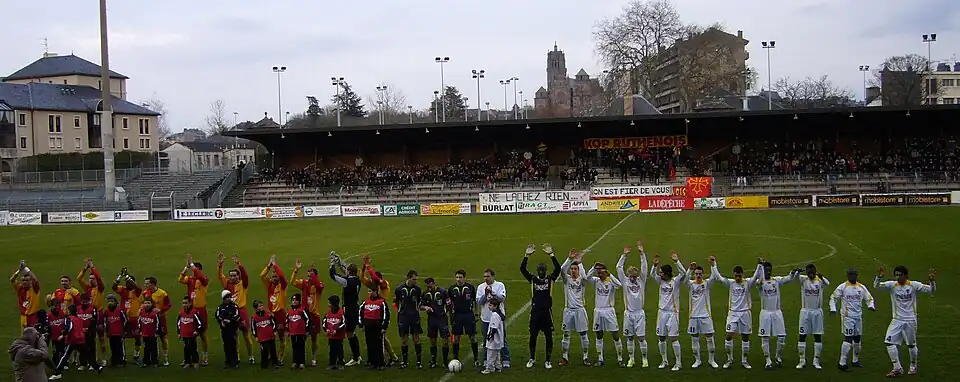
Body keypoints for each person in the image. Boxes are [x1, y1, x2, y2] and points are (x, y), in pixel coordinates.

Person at [874, 265, 936, 377]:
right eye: (896, 275)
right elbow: (877, 287)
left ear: (906, 275)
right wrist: (878, 277)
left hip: (910, 319)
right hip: (897, 319)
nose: (898, 277)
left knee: (911, 344)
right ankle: (897, 367)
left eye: (900, 275)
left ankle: (913, 365)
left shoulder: (913, 285)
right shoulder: (892, 285)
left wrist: (932, 281)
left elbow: (931, 291)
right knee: (889, 342)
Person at [712, 257, 762, 369]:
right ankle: (729, 359)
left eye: (739, 275)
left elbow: (756, 276)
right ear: (733, 275)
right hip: (733, 313)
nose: (738, 278)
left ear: (742, 274)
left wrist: (759, 265)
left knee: (745, 337)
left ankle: (744, 360)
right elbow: (719, 278)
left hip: (745, 313)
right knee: (729, 336)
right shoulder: (731, 283)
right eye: (736, 275)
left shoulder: (747, 283)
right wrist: (713, 264)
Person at [519, 243, 561, 369]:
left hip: (547, 312)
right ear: (538, 271)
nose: (541, 272)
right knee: (533, 336)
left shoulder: (550, 279)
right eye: (540, 270)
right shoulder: (533, 279)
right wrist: (526, 255)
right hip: (535, 312)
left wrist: (551, 255)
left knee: (548, 336)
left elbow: (558, 269)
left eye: (543, 270)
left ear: (545, 271)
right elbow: (522, 269)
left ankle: (548, 360)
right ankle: (532, 358)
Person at [829, 268, 874, 371]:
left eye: (854, 275)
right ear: (847, 276)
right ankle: (842, 362)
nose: (852, 276)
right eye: (850, 275)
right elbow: (833, 297)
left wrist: (871, 305)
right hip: (847, 317)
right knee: (848, 339)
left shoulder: (861, 287)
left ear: (856, 276)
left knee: (857, 339)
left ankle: (855, 360)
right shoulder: (843, 287)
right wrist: (833, 308)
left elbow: (869, 298)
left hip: (858, 317)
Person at [585, 254, 625, 367]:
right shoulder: (596, 281)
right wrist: (594, 267)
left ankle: (620, 358)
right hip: (598, 311)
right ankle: (600, 359)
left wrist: (610, 275)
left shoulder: (610, 281)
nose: (599, 274)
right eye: (599, 273)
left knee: (615, 335)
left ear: (606, 272)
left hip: (609, 311)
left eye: (601, 272)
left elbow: (620, 285)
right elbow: (587, 277)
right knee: (599, 335)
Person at [756, 259, 797, 369]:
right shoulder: (760, 283)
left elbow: (788, 279)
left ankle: (778, 357)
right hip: (765, 313)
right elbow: (759, 281)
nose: (768, 272)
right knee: (765, 337)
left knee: (782, 336)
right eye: (766, 270)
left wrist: (793, 273)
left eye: (769, 270)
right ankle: (768, 360)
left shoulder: (776, 280)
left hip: (777, 311)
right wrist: (760, 266)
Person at [650, 251, 686, 371]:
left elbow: (683, 273)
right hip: (661, 313)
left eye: (661, 273)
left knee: (674, 338)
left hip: (673, 313)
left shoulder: (675, 282)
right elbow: (651, 275)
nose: (659, 275)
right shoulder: (660, 281)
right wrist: (654, 265)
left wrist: (677, 261)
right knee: (661, 337)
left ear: (667, 274)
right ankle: (664, 360)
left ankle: (678, 363)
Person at [361, 256, 399, 365]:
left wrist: (368, 266)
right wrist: (364, 267)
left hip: (381, 311)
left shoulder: (383, 284)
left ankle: (382, 359)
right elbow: (362, 278)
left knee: (381, 338)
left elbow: (375, 278)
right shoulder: (374, 284)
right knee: (381, 337)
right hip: (373, 310)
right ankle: (392, 356)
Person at [616, 242, 649, 368]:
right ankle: (631, 359)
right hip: (628, 314)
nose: (632, 278)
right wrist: (624, 255)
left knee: (641, 338)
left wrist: (642, 254)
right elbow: (618, 267)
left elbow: (645, 267)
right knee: (629, 338)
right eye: (630, 276)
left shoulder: (642, 281)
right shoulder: (624, 281)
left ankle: (644, 359)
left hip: (639, 313)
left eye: (634, 276)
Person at [218, 253, 255, 365]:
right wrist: (220, 266)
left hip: (242, 312)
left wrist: (239, 264)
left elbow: (245, 276)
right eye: (231, 276)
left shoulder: (243, 284)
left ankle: (251, 356)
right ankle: (237, 356)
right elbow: (220, 276)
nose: (233, 277)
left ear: (238, 276)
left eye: (235, 275)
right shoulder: (227, 284)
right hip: (231, 313)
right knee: (234, 336)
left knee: (246, 335)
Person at [51, 304, 103, 379]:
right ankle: (97, 367)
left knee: (65, 356)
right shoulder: (79, 318)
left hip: (72, 340)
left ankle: (57, 373)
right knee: (86, 355)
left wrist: (63, 335)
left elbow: (69, 327)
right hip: (81, 339)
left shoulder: (68, 319)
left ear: (69, 311)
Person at [329, 252, 363, 366]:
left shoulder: (347, 282)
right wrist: (340, 262)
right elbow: (345, 270)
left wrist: (332, 264)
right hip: (354, 307)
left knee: (349, 333)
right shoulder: (357, 279)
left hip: (349, 309)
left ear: (349, 272)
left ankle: (355, 357)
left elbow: (333, 275)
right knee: (351, 333)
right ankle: (357, 355)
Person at [559, 249, 591, 366]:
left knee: (583, 334)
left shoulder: (581, 280)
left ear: (578, 270)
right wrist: (569, 259)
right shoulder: (567, 280)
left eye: (575, 269)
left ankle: (586, 357)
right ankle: (565, 357)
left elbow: (586, 277)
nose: (573, 271)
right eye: (572, 269)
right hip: (568, 311)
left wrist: (580, 263)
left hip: (580, 310)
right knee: (566, 334)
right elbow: (562, 269)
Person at [796, 263, 830, 369]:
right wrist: (797, 271)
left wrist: (822, 277)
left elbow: (828, 283)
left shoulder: (819, 281)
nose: (810, 274)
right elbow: (795, 277)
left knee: (817, 336)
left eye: (812, 272)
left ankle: (816, 361)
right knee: (802, 335)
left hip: (817, 312)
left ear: (815, 272)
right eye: (809, 272)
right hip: (805, 311)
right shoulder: (803, 280)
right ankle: (802, 361)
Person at [686, 257, 718, 369]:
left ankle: (711, 360)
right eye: (696, 274)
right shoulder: (690, 284)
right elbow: (684, 279)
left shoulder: (707, 284)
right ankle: (697, 360)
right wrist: (689, 269)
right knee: (694, 338)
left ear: (703, 274)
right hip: (693, 316)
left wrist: (713, 265)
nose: (698, 275)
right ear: (694, 275)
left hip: (705, 316)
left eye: (700, 274)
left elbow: (714, 277)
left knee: (709, 337)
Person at [178, 255, 210, 366]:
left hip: (201, 310)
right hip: (191, 310)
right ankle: (188, 358)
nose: (193, 272)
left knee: (202, 334)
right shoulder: (190, 280)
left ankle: (205, 357)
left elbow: (200, 276)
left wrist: (192, 265)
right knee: (188, 335)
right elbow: (180, 279)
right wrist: (186, 268)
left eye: (194, 269)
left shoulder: (203, 279)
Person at [291, 260, 324, 366]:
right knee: (301, 337)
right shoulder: (304, 284)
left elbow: (317, 283)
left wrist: (313, 274)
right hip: (304, 314)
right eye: (308, 275)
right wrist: (296, 269)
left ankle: (314, 357)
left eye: (311, 276)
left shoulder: (319, 286)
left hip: (314, 315)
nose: (309, 277)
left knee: (314, 338)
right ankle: (300, 359)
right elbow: (292, 282)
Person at [476, 268, 509, 368]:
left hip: (498, 318)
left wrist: (493, 292)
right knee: (486, 339)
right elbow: (479, 302)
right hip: (486, 318)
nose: (486, 278)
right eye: (485, 276)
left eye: (488, 276)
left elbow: (502, 298)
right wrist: (485, 295)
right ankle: (487, 359)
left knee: (502, 338)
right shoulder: (481, 287)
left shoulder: (499, 285)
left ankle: (506, 359)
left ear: (493, 276)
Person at [77, 258, 106, 364]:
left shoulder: (100, 288)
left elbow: (98, 278)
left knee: (101, 338)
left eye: (92, 278)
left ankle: (103, 358)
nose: (91, 280)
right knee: (88, 339)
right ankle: (90, 359)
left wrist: (92, 267)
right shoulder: (87, 289)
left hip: (99, 314)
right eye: (90, 278)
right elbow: (79, 278)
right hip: (89, 315)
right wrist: (86, 268)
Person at [259, 255, 287, 366]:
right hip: (270, 314)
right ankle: (271, 355)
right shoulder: (269, 285)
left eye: (276, 277)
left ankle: (281, 356)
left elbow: (281, 275)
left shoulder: (283, 286)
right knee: (270, 335)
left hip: (280, 314)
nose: (274, 278)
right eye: (272, 277)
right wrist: (269, 266)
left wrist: (275, 264)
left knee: (281, 336)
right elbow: (262, 275)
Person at [448, 269, 479, 366]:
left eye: (460, 277)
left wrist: (477, 313)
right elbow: (449, 303)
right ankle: (455, 358)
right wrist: (451, 316)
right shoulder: (451, 289)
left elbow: (475, 301)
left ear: (464, 278)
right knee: (456, 337)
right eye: (457, 277)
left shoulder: (470, 287)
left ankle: (476, 358)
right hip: (457, 315)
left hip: (469, 314)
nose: (458, 279)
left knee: (472, 337)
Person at [112, 268, 142, 363]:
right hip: (124, 317)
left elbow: (136, 286)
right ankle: (123, 356)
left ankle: (136, 355)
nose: (127, 284)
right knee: (122, 336)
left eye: (129, 282)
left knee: (137, 337)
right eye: (126, 282)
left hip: (134, 317)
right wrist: (119, 277)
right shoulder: (123, 290)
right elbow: (114, 287)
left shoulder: (137, 291)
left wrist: (128, 277)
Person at [394, 270, 423, 369]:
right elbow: (396, 301)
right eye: (414, 279)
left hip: (414, 316)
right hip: (403, 316)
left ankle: (419, 361)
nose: (415, 281)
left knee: (416, 338)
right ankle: (405, 361)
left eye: (416, 279)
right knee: (404, 339)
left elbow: (419, 301)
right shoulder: (399, 289)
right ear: (408, 278)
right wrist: (401, 311)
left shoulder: (418, 289)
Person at [420, 277, 451, 368]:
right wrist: (426, 308)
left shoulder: (442, 292)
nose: (429, 288)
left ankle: (445, 361)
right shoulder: (425, 293)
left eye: (430, 286)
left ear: (433, 283)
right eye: (427, 287)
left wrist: (447, 313)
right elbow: (420, 306)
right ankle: (433, 360)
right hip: (432, 319)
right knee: (432, 340)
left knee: (445, 340)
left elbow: (449, 304)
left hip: (442, 318)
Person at [143, 276, 172, 366]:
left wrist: (161, 310)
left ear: (152, 284)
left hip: (160, 318)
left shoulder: (162, 293)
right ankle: (153, 359)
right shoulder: (145, 293)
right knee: (150, 339)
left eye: (147, 283)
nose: (145, 285)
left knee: (163, 338)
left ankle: (165, 358)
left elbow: (169, 304)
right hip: (150, 320)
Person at [360, 286, 389, 370]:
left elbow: (386, 315)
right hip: (368, 326)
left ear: (376, 292)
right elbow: (361, 312)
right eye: (368, 291)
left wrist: (384, 326)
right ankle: (372, 362)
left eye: (370, 291)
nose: (369, 293)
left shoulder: (381, 301)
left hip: (378, 326)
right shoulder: (365, 302)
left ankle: (380, 363)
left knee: (378, 345)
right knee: (369, 344)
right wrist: (361, 324)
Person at [11, 261, 41, 331]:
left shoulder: (34, 289)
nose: (24, 282)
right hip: (23, 317)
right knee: (24, 337)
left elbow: (35, 279)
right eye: (23, 280)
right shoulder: (20, 288)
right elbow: (12, 280)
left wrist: (25, 268)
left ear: (30, 282)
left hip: (33, 316)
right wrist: (19, 270)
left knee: (33, 337)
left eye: (27, 280)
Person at [215, 290, 241, 369]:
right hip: (224, 329)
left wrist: (229, 320)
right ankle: (228, 360)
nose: (228, 299)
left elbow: (237, 316)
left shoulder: (234, 306)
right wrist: (222, 321)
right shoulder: (220, 307)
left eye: (229, 297)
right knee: (226, 345)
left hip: (232, 329)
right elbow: (217, 316)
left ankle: (234, 361)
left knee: (233, 345)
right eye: (226, 298)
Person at [251, 300, 279, 369]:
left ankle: (275, 363)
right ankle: (264, 364)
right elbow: (253, 328)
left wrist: (274, 331)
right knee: (264, 351)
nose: (261, 307)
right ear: (255, 308)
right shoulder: (254, 317)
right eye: (259, 306)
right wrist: (256, 336)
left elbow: (274, 323)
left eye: (262, 305)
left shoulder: (268, 314)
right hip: (262, 337)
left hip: (270, 335)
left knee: (273, 350)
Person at [177, 296, 203, 369]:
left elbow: (200, 323)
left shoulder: (194, 312)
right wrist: (179, 332)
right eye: (183, 303)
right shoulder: (181, 313)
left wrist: (197, 331)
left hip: (192, 334)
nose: (184, 305)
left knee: (193, 348)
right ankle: (188, 362)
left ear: (190, 304)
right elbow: (179, 323)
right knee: (186, 348)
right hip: (184, 334)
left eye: (186, 303)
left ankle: (195, 361)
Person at [286, 293, 311, 369]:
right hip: (293, 333)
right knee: (294, 347)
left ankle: (302, 362)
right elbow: (287, 321)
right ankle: (295, 361)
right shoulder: (289, 311)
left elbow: (308, 320)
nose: (294, 302)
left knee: (301, 347)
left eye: (296, 300)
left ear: (299, 302)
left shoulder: (302, 310)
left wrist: (307, 331)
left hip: (301, 332)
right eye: (293, 300)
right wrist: (287, 331)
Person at [322, 295, 346, 370]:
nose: (328, 304)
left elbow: (344, 323)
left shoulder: (341, 312)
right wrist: (326, 330)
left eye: (329, 303)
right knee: (332, 350)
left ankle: (341, 363)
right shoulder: (328, 312)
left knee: (339, 350)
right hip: (331, 336)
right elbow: (324, 322)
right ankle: (332, 363)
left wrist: (337, 330)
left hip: (338, 336)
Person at [102, 294, 127, 367]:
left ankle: (121, 361)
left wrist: (123, 331)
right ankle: (114, 361)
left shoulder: (120, 311)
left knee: (120, 348)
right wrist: (107, 331)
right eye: (109, 301)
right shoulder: (106, 312)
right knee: (113, 347)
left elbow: (125, 321)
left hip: (119, 333)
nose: (110, 303)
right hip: (111, 333)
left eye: (112, 301)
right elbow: (105, 322)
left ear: (116, 302)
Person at [482, 298, 505, 375]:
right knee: (497, 354)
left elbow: (494, 327)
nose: (488, 306)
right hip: (498, 339)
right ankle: (498, 367)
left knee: (491, 354)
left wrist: (489, 336)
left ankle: (489, 368)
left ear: (495, 306)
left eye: (490, 305)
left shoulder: (495, 315)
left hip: (494, 339)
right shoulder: (499, 314)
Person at [76, 294, 99, 370]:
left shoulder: (93, 308)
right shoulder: (78, 309)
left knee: (91, 348)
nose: (84, 303)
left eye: (86, 301)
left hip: (90, 332)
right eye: (83, 301)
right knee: (82, 348)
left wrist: (89, 329)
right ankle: (83, 363)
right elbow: (76, 320)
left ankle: (92, 364)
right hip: (80, 332)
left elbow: (94, 320)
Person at [138, 298, 161, 367]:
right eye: (145, 303)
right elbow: (139, 321)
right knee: (146, 348)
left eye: (148, 303)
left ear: (152, 304)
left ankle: (155, 361)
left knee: (153, 348)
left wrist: (157, 332)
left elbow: (158, 323)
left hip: (152, 334)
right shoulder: (142, 312)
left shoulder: (154, 314)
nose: (147, 305)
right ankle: (146, 361)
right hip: (145, 334)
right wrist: (140, 331)